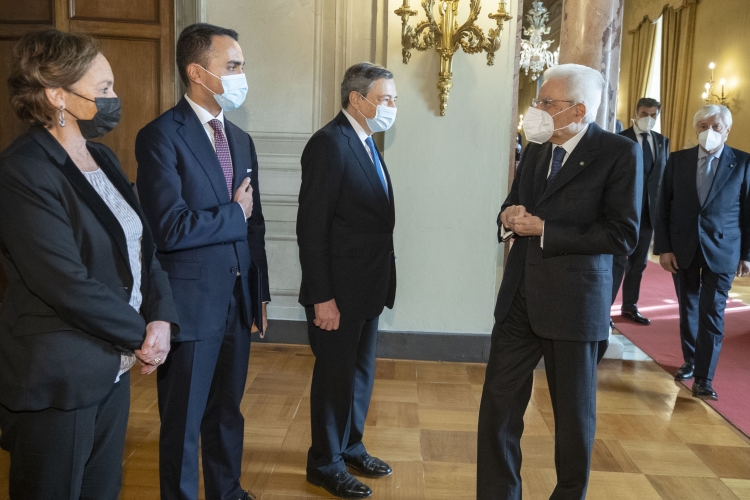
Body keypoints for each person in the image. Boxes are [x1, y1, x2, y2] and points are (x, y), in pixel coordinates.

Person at [0, 29, 178, 500]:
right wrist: (141, 335)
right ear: (57, 94)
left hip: (110, 366)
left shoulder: (101, 156)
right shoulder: (22, 170)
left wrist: (161, 317)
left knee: (103, 490)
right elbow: (65, 283)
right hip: (59, 374)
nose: (114, 98)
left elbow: (142, 247)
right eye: (103, 89)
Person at [477, 63, 641, 500]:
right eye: (538, 100)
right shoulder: (536, 148)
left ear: (579, 110)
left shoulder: (619, 153)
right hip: (519, 298)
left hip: (573, 303)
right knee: (497, 407)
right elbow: (515, 203)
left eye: (547, 102)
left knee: (572, 418)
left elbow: (622, 235)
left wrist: (546, 230)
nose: (537, 109)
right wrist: (508, 216)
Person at [135, 23, 270, 500]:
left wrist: (259, 293)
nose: (240, 75)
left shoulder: (241, 138)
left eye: (241, 66)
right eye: (232, 66)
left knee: (227, 411)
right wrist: (233, 214)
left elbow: (255, 225)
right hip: (190, 305)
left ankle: (227, 491)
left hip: (237, 298)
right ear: (197, 72)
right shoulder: (160, 137)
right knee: (184, 422)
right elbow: (170, 228)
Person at [297, 62, 398, 499]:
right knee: (334, 378)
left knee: (359, 374)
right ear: (357, 99)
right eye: (385, 98)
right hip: (337, 292)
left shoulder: (367, 142)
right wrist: (322, 297)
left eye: (394, 99)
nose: (392, 106)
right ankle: (325, 462)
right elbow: (312, 228)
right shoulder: (329, 144)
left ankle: (350, 446)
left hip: (368, 286)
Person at [654, 105, 750, 401]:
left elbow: (748, 212)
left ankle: (704, 378)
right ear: (696, 129)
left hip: (724, 248)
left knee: (713, 312)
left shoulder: (743, 161)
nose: (710, 131)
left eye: (716, 126)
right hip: (683, 246)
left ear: (727, 130)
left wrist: (746, 254)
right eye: (704, 126)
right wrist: (664, 248)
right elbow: (663, 206)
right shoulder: (677, 160)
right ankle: (691, 359)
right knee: (688, 306)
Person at [612, 98, 671, 325]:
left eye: (653, 115)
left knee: (638, 264)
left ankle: (630, 307)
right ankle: (604, 309)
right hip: (623, 212)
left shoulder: (662, 142)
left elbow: (662, 178)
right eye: (644, 114)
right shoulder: (620, 139)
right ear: (636, 113)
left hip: (648, 214)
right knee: (617, 263)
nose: (649, 118)